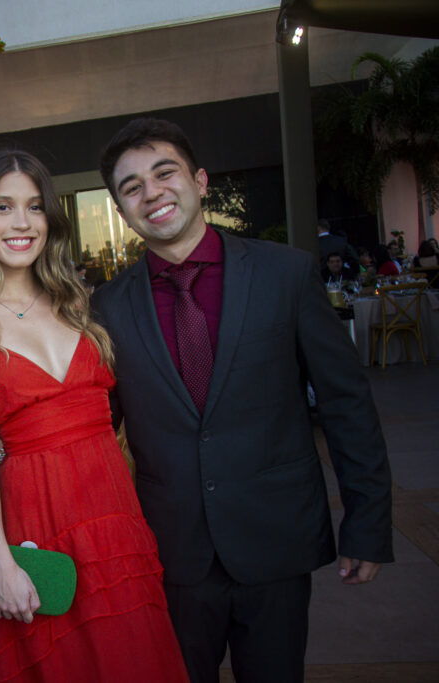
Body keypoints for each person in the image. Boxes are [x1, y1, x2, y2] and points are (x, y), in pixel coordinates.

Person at [92, 118, 392, 683]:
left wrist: (368, 523)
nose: (151, 192)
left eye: (165, 173)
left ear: (200, 180)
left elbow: (346, 402)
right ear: (121, 208)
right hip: (170, 550)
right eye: (131, 187)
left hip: (275, 536)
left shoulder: (285, 273)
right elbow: (96, 426)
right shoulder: (105, 307)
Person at [0, 149, 188, 682]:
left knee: (136, 659)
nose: (21, 222)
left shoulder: (78, 302)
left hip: (115, 512)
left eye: (34, 207)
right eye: (3, 207)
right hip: (38, 516)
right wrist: (0, 561)